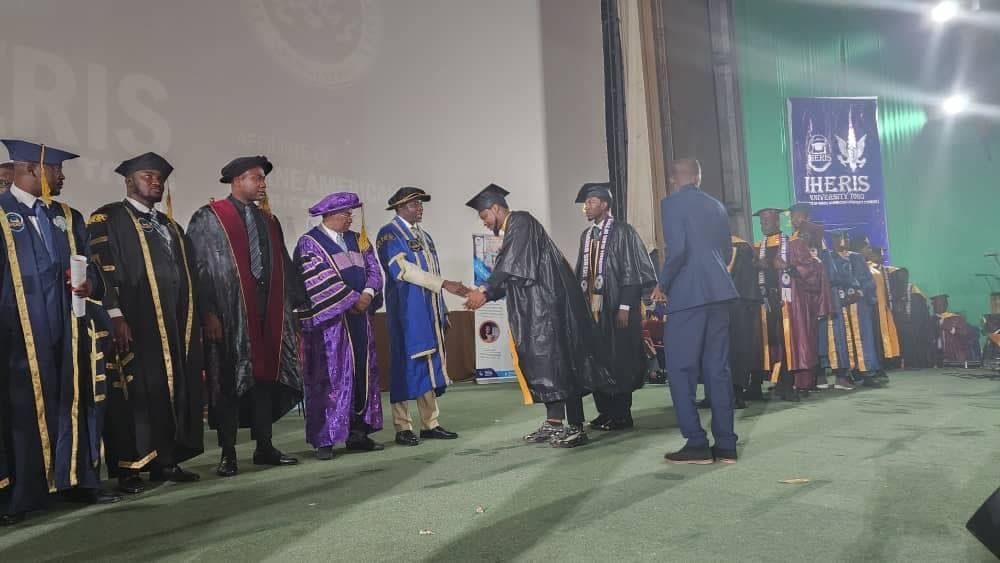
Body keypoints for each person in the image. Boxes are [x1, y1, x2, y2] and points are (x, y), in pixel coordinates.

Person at [0, 140, 122, 526]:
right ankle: (22, 494)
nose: (61, 176)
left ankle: (78, 481)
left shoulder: (68, 217)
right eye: (55, 169)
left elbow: (93, 268)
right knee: (23, 409)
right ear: (30, 169)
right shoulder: (0, 214)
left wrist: (90, 285)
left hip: (69, 329)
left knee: (73, 401)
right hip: (17, 333)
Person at [462, 183, 614, 448]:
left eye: (485, 216)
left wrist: (484, 289)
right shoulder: (514, 233)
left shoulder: (520, 221)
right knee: (546, 366)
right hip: (536, 308)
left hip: (551, 308)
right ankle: (554, 423)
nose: (484, 222)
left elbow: (510, 265)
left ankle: (575, 426)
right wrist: (485, 294)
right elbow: (514, 275)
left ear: (496, 208)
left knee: (563, 362)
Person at [88, 152, 203, 494]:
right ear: (129, 181)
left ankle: (165, 460)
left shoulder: (170, 225)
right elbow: (100, 268)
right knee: (134, 392)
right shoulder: (108, 217)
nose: (156, 182)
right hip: (133, 320)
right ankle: (129, 468)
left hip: (171, 321)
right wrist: (114, 314)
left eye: (159, 177)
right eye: (147, 176)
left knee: (168, 388)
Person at [187, 156, 303, 477]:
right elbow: (199, 269)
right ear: (237, 180)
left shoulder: (268, 220)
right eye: (257, 178)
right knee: (229, 381)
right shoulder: (209, 218)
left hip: (267, 314)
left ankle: (264, 446)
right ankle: (228, 453)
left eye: (263, 178)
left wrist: (292, 310)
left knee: (264, 379)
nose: (263, 184)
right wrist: (208, 313)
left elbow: (282, 264)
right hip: (230, 315)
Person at [657, 159, 738, 464]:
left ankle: (696, 443)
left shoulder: (672, 204)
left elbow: (677, 249)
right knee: (718, 370)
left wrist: (663, 284)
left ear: (673, 180)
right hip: (720, 292)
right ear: (698, 178)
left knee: (681, 370)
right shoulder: (717, 206)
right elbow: (726, 251)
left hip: (688, 295)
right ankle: (726, 445)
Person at [294, 192, 385, 459]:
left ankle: (358, 434)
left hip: (360, 320)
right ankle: (325, 439)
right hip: (330, 326)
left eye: (351, 213)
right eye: (346, 213)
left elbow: (374, 270)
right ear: (330, 215)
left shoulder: (359, 240)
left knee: (361, 375)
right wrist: (351, 300)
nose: (350, 218)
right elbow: (316, 280)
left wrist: (367, 293)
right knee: (329, 379)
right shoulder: (310, 243)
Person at [376, 187, 465, 447]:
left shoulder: (424, 236)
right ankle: (403, 426)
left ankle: (430, 424)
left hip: (429, 309)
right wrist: (444, 283)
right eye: (414, 204)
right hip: (406, 310)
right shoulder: (389, 233)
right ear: (400, 208)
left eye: (420, 204)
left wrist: (442, 307)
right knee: (405, 362)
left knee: (428, 361)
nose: (420, 208)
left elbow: (433, 271)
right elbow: (402, 269)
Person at [573, 182, 657, 430]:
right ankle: (605, 412)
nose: (586, 207)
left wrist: (625, 307)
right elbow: (582, 272)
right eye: (586, 203)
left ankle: (622, 414)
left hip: (616, 308)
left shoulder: (622, 231)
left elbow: (632, 271)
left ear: (605, 204)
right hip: (593, 310)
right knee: (598, 359)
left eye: (591, 202)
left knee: (619, 359)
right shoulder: (586, 235)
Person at [753, 207, 828, 400]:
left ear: (777, 222)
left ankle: (790, 383)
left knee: (790, 342)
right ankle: (779, 381)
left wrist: (790, 267)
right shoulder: (758, 248)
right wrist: (757, 267)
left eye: (767, 221)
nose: (763, 225)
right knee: (775, 342)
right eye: (761, 222)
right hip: (767, 302)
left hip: (789, 303)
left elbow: (813, 271)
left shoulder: (794, 244)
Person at [824, 229, 882, 386]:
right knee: (842, 339)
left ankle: (867, 373)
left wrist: (861, 292)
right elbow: (829, 281)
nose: (843, 240)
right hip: (840, 305)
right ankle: (846, 373)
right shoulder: (829, 258)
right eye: (838, 237)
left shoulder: (857, 258)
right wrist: (842, 295)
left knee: (864, 338)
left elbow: (869, 281)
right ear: (833, 241)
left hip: (860, 304)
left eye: (846, 237)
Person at [853, 239, 900, 377]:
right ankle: (861, 370)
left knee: (873, 337)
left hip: (874, 306)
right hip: (860, 306)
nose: (870, 250)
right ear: (859, 249)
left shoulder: (872, 267)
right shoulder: (854, 264)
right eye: (867, 248)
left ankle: (876, 365)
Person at [888, 268, 934, 368]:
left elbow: (921, 314)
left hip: (915, 325)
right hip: (900, 326)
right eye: (899, 277)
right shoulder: (894, 291)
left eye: (904, 277)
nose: (902, 280)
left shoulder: (915, 292)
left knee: (917, 349)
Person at [930, 294, 980, 367]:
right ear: (933, 305)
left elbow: (973, 333)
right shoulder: (930, 321)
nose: (941, 305)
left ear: (946, 304)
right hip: (936, 354)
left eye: (943, 303)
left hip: (953, 355)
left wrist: (954, 329)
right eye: (938, 303)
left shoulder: (956, 318)